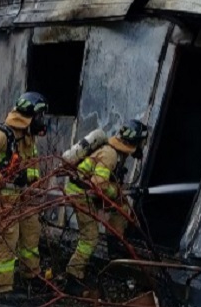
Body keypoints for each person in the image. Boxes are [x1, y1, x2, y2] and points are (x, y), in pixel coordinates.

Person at [0, 91, 48, 294]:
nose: (42, 120)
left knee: (32, 230)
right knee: (8, 236)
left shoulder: (28, 139)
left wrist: (34, 182)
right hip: (3, 196)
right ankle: (3, 286)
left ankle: (31, 275)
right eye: (40, 116)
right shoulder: (2, 136)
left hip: (23, 196)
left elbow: (31, 167)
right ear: (29, 116)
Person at [63, 119, 149, 296]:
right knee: (90, 237)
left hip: (88, 191)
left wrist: (121, 193)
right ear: (135, 141)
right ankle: (73, 278)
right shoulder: (110, 155)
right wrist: (118, 192)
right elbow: (99, 185)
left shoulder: (119, 154)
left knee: (122, 208)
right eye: (141, 142)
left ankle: (115, 245)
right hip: (81, 194)